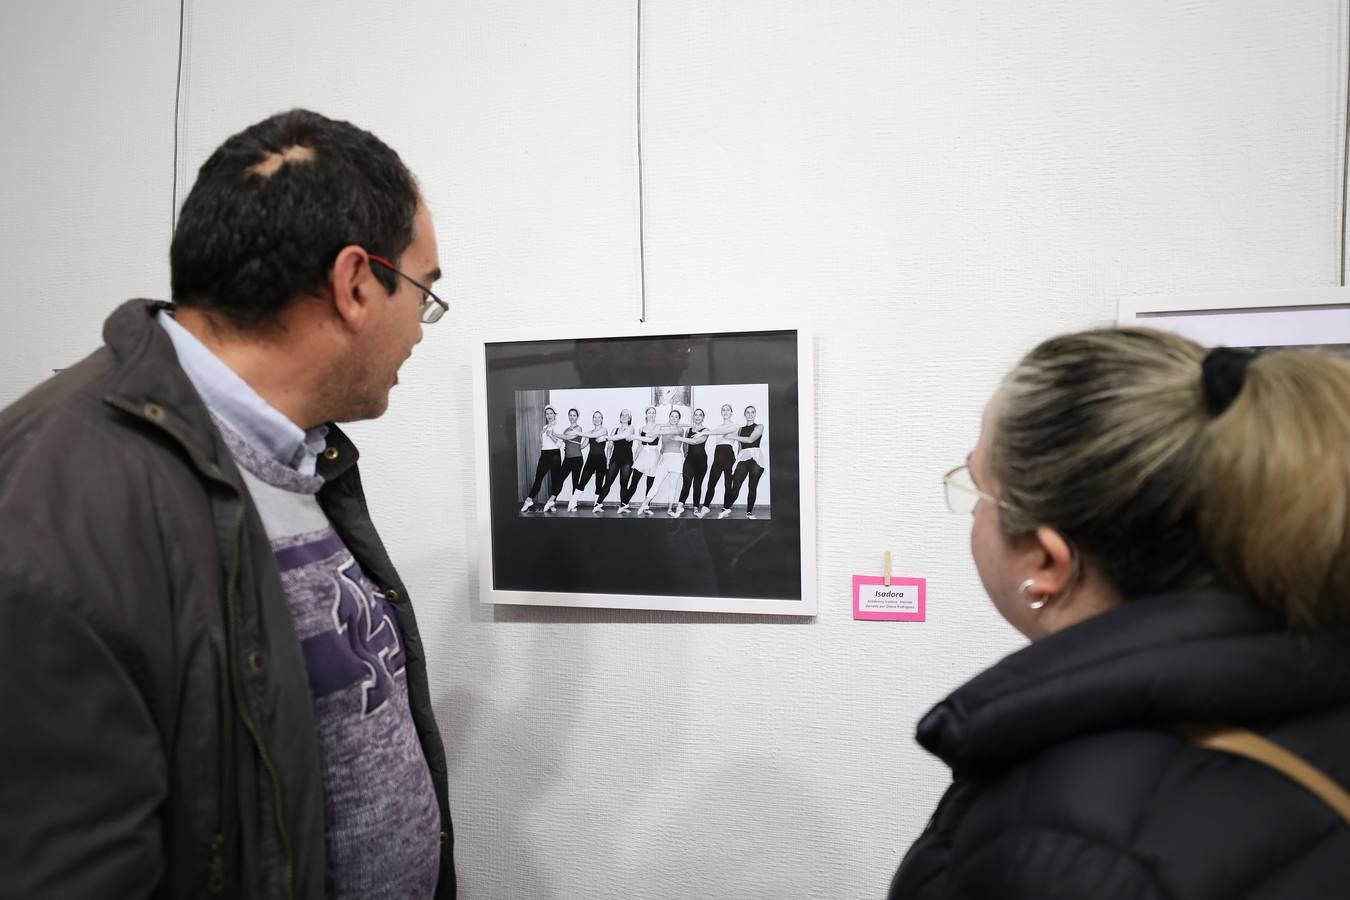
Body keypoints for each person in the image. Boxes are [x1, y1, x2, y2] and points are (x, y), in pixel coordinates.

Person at [0, 110, 457, 899]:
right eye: (423, 292)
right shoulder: (55, 505)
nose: (421, 328)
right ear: (355, 284)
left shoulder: (303, 455)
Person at [889, 328, 1350, 899]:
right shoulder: (1317, 689)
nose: (973, 513)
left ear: (1046, 560)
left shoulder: (1065, 841)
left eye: (979, 488)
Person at [718, 405, 765, 519]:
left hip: (755, 458)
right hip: (743, 457)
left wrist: (733, 436)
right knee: (736, 486)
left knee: (752, 486)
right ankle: (726, 508)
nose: (750, 414)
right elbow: (740, 447)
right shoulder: (740, 429)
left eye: (752, 412)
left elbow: (751, 440)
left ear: (755, 414)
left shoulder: (759, 426)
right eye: (747, 412)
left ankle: (749, 512)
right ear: (744, 414)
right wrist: (737, 460)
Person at [637, 409, 687, 517]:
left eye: (676, 417)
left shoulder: (680, 429)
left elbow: (669, 432)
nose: (674, 418)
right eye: (672, 416)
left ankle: (669, 509)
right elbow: (663, 446)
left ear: (679, 419)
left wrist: (655, 431)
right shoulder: (663, 429)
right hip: (665, 459)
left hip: (677, 459)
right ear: (669, 417)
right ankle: (644, 504)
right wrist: (661, 456)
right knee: (656, 484)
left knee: (672, 486)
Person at [520, 406, 564, 513]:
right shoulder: (545, 427)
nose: (549, 415)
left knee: (555, 480)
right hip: (545, 454)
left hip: (555, 454)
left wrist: (552, 435)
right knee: (538, 478)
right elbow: (543, 442)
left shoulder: (559, 426)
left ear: (555, 414)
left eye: (551, 413)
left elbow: (559, 444)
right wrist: (543, 433)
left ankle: (551, 503)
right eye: (547, 414)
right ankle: (529, 500)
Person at [698, 403, 738, 518]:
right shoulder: (718, 426)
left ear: (731, 413)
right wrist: (702, 433)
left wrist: (704, 432)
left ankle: (725, 508)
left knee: (727, 484)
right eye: (723, 410)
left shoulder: (735, 425)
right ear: (721, 413)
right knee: (711, 483)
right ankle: (705, 507)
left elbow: (720, 432)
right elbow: (717, 432)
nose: (725, 412)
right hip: (718, 455)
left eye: (727, 410)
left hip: (729, 455)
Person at [594, 408, 636, 514]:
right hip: (615, 459)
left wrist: (606, 438)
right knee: (608, 482)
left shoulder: (631, 428)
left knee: (624, 483)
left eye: (627, 415)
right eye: (622, 414)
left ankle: (622, 506)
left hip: (627, 460)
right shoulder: (614, 429)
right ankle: (598, 504)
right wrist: (608, 460)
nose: (624, 416)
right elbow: (610, 447)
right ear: (620, 417)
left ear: (630, 418)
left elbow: (622, 436)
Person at [672, 408, 710, 517]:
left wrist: (679, 438)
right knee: (686, 484)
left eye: (700, 415)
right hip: (689, 461)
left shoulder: (706, 430)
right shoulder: (689, 430)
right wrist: (686, 454)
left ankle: (696, 508)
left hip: (701, 462)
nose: (697, 417)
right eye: (696, 415)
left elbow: (696, 441)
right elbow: (685, 445)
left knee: (697, 486)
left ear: (703, 417)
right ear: (693, 417)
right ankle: (680, 507)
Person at [572, 410, 610, 513]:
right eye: (594, 417)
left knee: (599, 483)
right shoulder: (589, 432)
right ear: (592, 419)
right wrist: (572, 446)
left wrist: (578, 432)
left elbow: (594, 436)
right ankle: (572, 502)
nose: (596, 419)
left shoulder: (604, 430)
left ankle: (596, 505)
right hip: (591, 459)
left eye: (599, 417)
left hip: (601, 459)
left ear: (602, 419)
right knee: (582, 481)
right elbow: (583, 445)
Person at [627, 406, 662, 514]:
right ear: (646, 415)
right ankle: (624, 503)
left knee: (650, 483)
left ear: (655, 415)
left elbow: (651, 439)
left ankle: (646, 506)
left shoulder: (658, 427)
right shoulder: (641, 428)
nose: (651, 414)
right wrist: (634, 459)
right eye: (649, 413)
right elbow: (639, 446)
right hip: (642, 455)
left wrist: (635, 437)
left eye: (653, 413)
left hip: (653, 455)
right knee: (634, 482)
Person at [556, 408, 586, 512]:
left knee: (575, 481)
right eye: (570, 415)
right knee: (559, 479)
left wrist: (554, 434)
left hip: (577, 459)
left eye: (574, 415)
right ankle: (552, 500)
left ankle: (574, 504)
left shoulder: (579, 428)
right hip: (567, 459)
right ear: (568, 416)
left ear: (577, 417)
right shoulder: (565, 429)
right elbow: (565, 441)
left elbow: (567, 438)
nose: (572, 417)